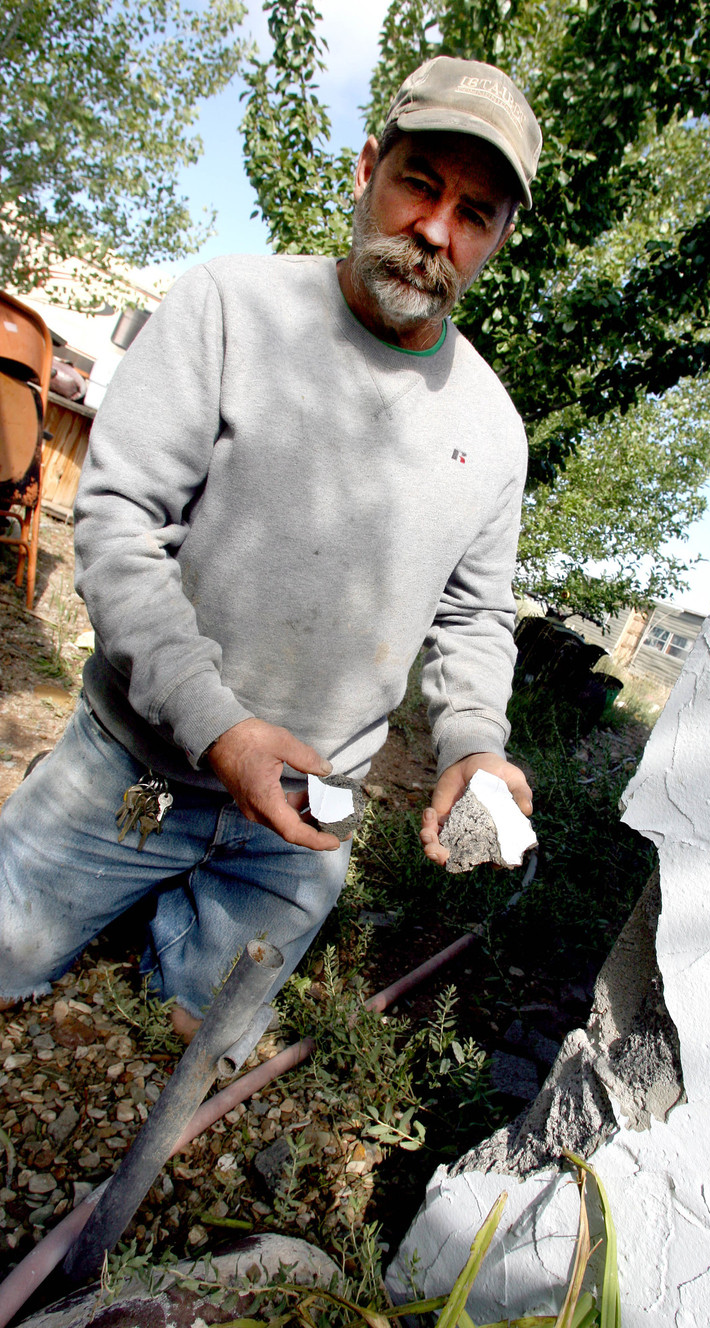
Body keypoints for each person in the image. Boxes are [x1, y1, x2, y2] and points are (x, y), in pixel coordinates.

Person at [0, 56, 540, 1038]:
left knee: (196, 1039)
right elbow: (118, 522)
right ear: (368, 167)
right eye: (420, 182)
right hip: (139, 752)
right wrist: (219, 724)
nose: (434, 229)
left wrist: (475, 745)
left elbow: (475, 616)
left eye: (475, 212)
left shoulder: (495, 432)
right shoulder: (228, 308)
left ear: (499, 238)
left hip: (311, 806)